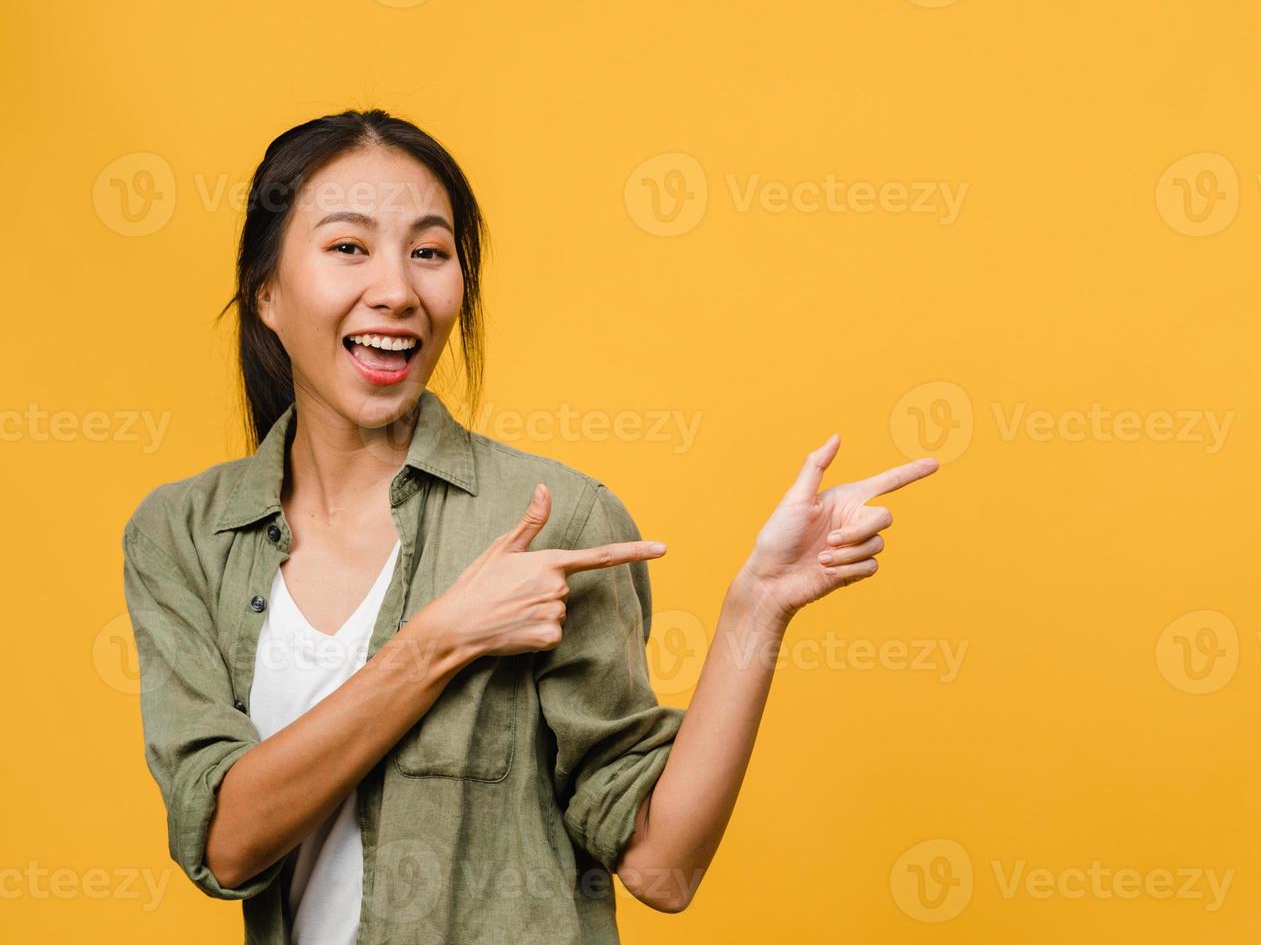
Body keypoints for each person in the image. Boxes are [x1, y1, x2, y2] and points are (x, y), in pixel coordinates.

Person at [120, 108, 939, 944]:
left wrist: (757, 607)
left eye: (430, 252)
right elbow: (225, 846)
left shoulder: (554, 520)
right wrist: (443, 640)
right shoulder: (184, 534)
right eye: (347, 248)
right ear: (266, 292)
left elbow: (662, 866)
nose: (397, 291)